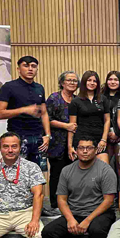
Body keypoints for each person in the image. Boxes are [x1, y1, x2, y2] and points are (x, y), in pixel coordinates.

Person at [41, 137, 117, 238]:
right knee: (48, 232)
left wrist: (88, 221)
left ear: (96, 150)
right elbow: (61, 199)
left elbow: (108, 200)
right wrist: (70, 219)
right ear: (75, 149)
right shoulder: (67, 170)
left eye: (89, 148)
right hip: (75, 213)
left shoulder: (105, 170)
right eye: (81, 148)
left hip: (100, 213)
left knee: (97, 231)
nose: (85, 151)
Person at [0, 55, 51, 172]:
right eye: (26, 66)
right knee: (17, 174)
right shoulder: (8, 87)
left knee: (37, 174)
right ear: (18, 69)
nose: (30, 69)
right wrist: (24, 110)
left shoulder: (39, 88)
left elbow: (44, 113)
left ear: (37, 69)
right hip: (17, 137)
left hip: (38, 138)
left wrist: (47, 135)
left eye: (33, 66)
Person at [46, 71, 79, 207]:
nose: (72, 83)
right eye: (69, 80)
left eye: (75, 81)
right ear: (62, 83)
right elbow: (46, 119)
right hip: (56, 143)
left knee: (73, 174)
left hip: (74, 143)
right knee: (57, 174)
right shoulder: (54, 98)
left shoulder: (77, 100)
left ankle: (70, 202)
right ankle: (55, 204)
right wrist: (66, 126)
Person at [67, 70, 111, 165]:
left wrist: (104, 139)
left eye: (94, 81)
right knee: (84, 171)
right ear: (84, 82)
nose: (92, 83)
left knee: (104, 169)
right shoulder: (76, 101)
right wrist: (70, 146)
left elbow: (107, 120)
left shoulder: (103, 99)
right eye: (89, 80)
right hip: (82, 140)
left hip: (99, 139)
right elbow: (72, 126)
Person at [102, 71, 120, 175]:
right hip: (104, 135)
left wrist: (118, 133)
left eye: (116, 80)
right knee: (104, 167)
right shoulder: (100, 97)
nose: (112, 82)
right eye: (110, 79)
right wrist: (106, 133)